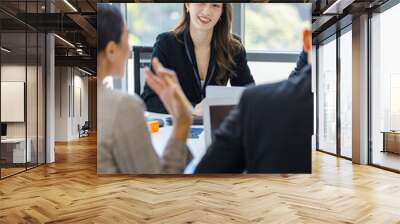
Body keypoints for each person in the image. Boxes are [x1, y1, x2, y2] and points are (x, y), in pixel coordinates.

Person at [194, 31, 313, 173]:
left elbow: (208, 172)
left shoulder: (258, 100)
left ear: (306, 40)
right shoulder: (168, 42)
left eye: (215, 6)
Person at [97, 4, 193, 174]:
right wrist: (183, 121)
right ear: (111, 50)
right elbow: (157, 190)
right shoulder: (123, 106)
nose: (128, 51)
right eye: (126, 36)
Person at [141, 3, 255, 114]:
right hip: (178, 125)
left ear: (222, 12)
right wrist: (192, 109)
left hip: (216, 127)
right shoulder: (166, 43)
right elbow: (150, 100)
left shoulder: (233, 47)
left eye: (215, 5)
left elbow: (250, 95)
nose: (207, 11)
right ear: (187, 4)